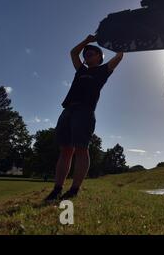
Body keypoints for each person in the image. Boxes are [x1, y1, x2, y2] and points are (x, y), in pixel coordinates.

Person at [44, 34, 123, 201]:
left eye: (91, 53)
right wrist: (87, 41)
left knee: (81, 149)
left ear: (99, 57)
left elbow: (120, 55)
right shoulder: (81, 70)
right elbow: (73, 53)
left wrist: (111, 41)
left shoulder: (103, 70)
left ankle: (74, 189)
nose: (87, 54)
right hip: (68, 110)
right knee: (65, 150)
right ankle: (57, 189)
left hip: (85, 112)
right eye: (86, 53)